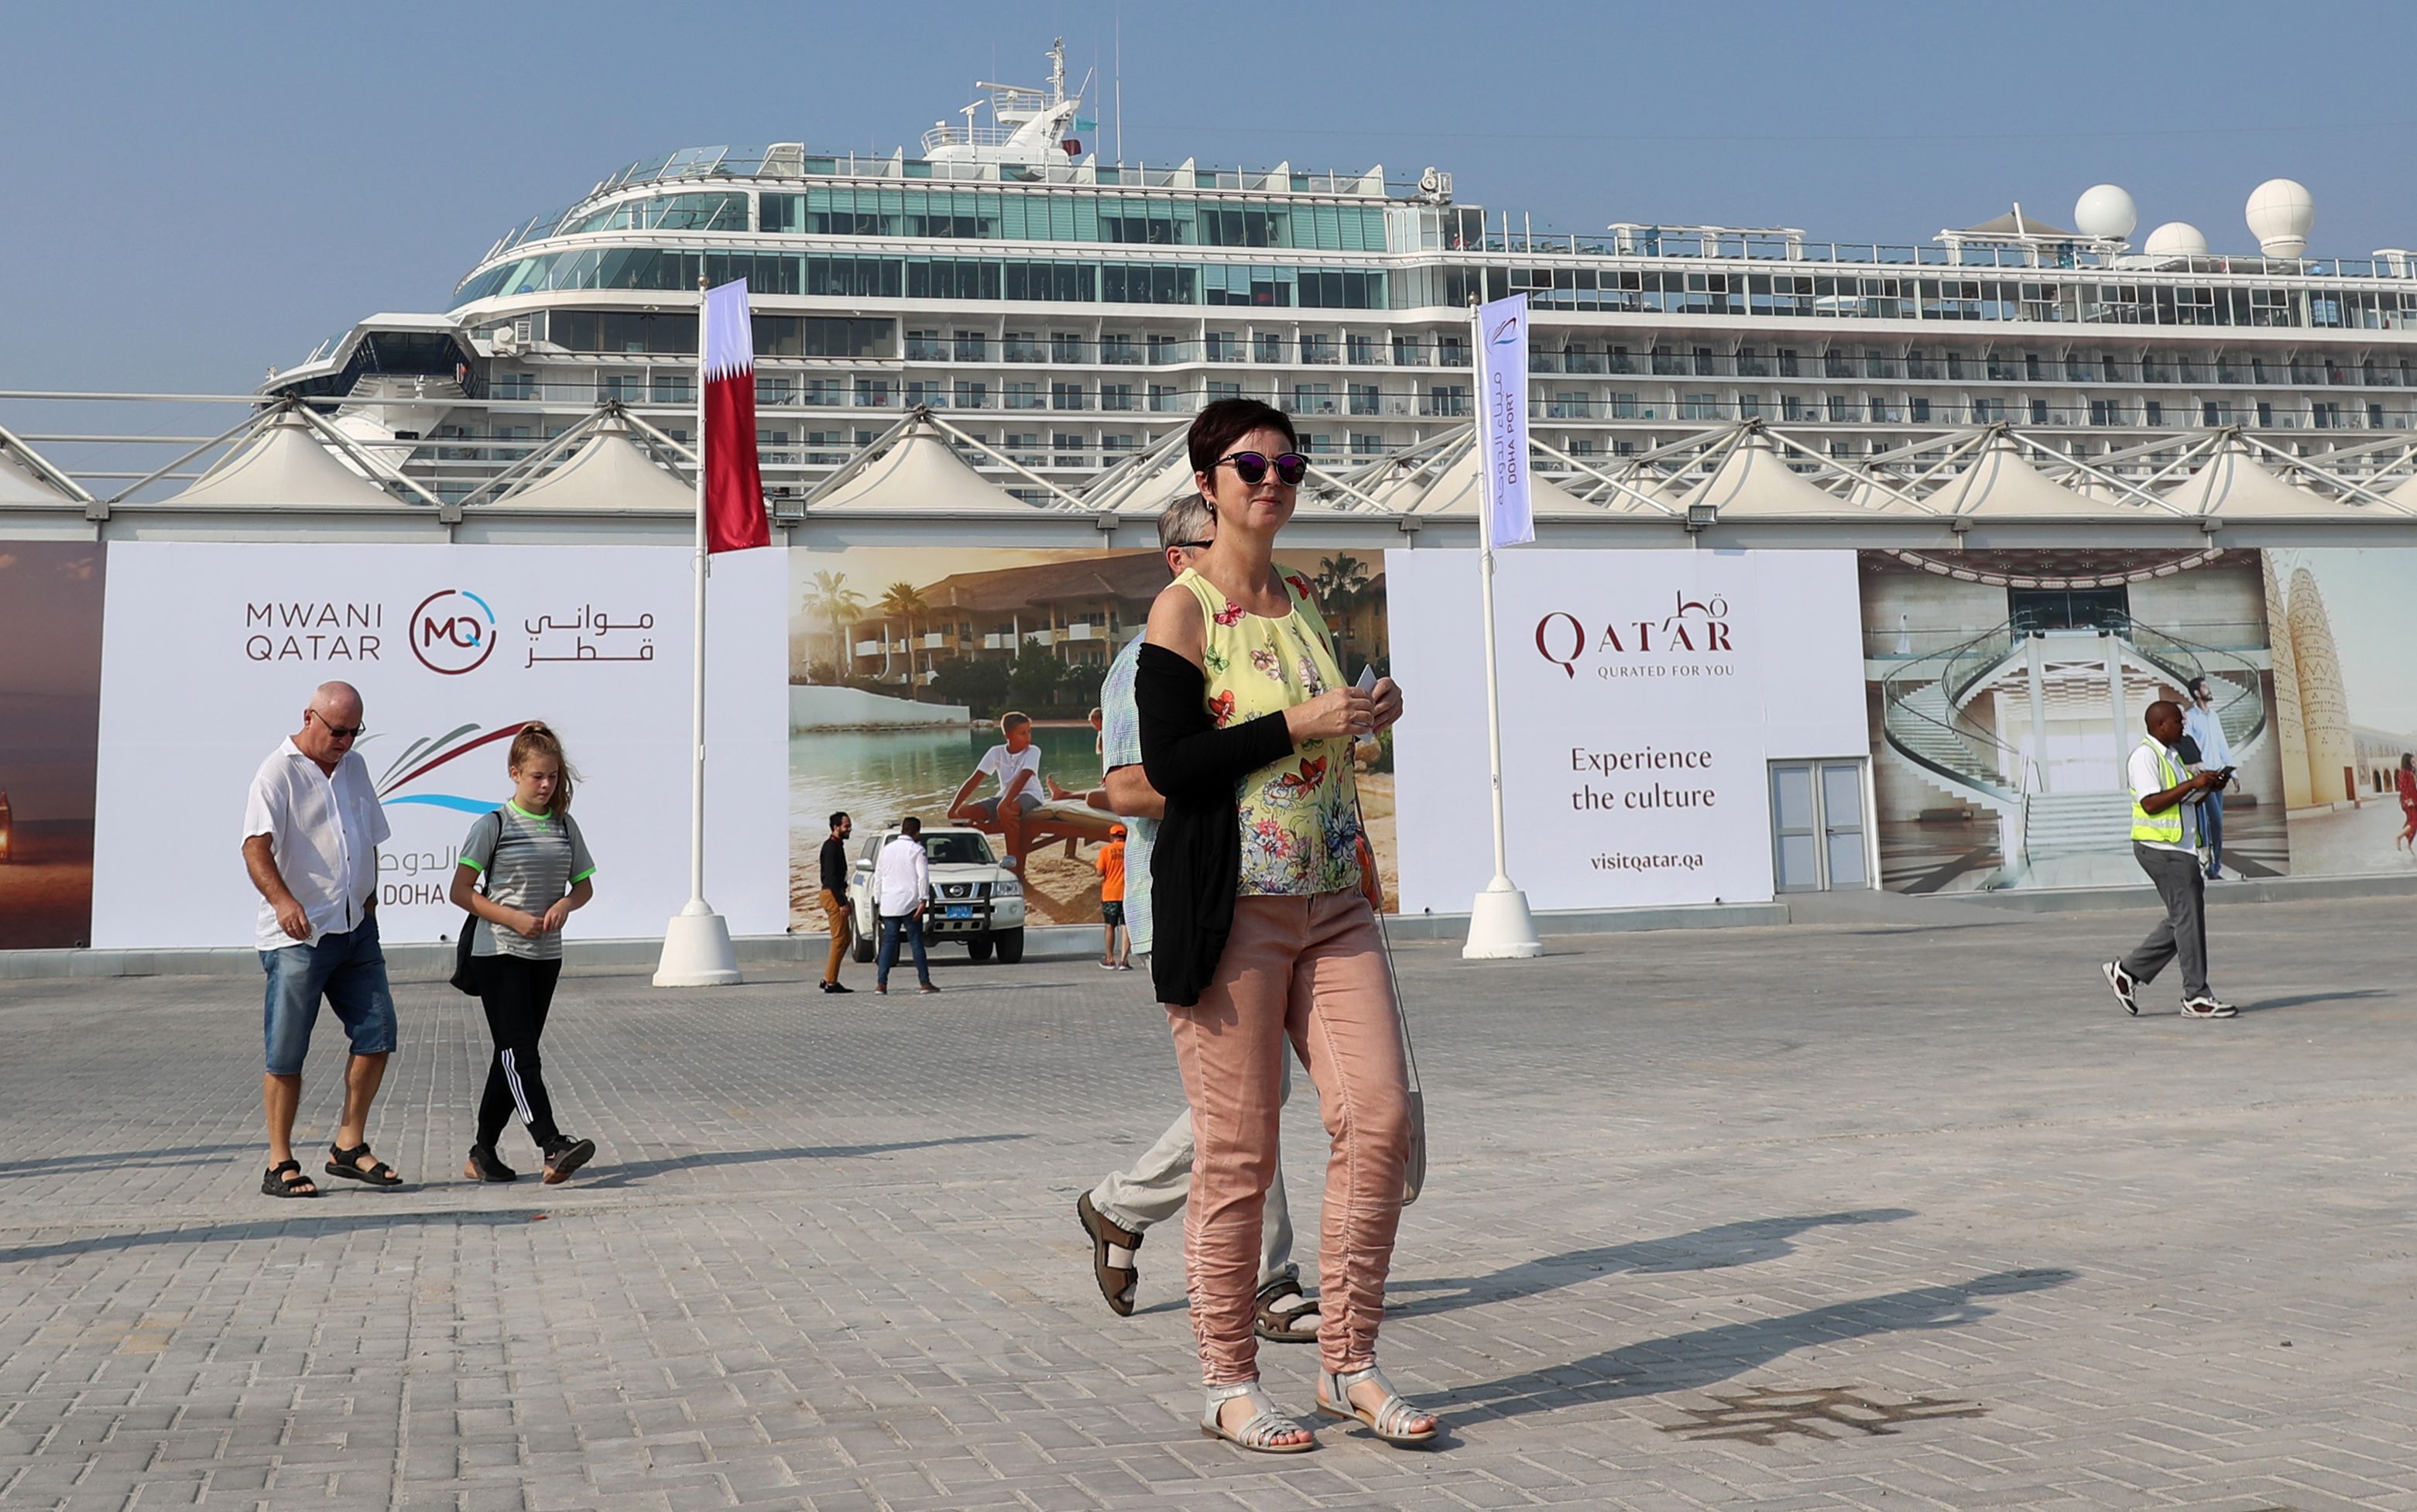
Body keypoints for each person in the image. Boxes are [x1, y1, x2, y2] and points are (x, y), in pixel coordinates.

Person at [1138, 398, 1428, 1453]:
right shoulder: (1183, 610)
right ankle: (1225, 1380)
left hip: (1334, 901)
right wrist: (1303, 721)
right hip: (1235, 912)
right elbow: (1168, 766)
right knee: (1238, 1152)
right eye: (1249, 465)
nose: (1272, 481)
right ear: (1208, 483)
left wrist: (1365, 712)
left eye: (1288, 465)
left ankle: (1346, 1361)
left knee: (1380, 1122)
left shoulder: (1303, 600)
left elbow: (1319, 734)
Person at [1076, 494, 1322, 1360]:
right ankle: (1263, 1280)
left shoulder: (1263, 644)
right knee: (1248, 1099)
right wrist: (1235, 764)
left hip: (1269, 893)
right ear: (1182, 558)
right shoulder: (1145, 658)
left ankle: (1122, 1208)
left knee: (1250, 1097)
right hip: (1186, 897)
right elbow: (1129, 789)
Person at [241, 681, 403, 1198]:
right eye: (337, 730)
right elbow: (255, 849)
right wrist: (284, 902)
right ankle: (279, 1160)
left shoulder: (354, 767)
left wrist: (370, 894)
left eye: (355, 731)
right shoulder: (276, 773)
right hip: (299, 938)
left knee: (378, 1034)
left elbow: (370, 835)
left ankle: (349, 1146)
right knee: (287, 1052)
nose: (346, 740)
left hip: (356, 929)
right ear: (309, 716)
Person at [449, 722, 599, 1185]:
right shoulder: (492, 824)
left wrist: (564, 905)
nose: (546, 785)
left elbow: (585, 887)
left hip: (545, 955)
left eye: (553, 776)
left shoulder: (564, 825)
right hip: (496, 952)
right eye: (537, 776)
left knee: (513, 1054)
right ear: (514, 772)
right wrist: (510, 917)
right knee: (520, 1053)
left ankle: (482, 1152)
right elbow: (460, 891)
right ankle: (552, 1144)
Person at [2103, 699, 2237, 1020]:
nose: (2183, 726)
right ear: (2161, 725)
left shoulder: (2172, 757)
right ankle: (2197, 996)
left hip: (2178, 848)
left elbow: (2182, 800)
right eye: (2178, 721)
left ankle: (2128, 972)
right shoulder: (2145, 757)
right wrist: (2192, 782)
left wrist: (2206, 788)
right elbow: (2150, 804)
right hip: (2162, 849)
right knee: (2188, 918)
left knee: (2183, 919)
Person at [947, 712, 1070, 872]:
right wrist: (953, 808)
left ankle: (1013, 862)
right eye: (1023, 733)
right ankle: (973, 857)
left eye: (1029, 732)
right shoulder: (996, 752)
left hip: (1030, 795)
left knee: (1007, 811)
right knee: (964, 813)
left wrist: (1004, 804)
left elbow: (1024, 777)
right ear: (1008, 735)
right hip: (1004, 796)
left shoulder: (1033, 751)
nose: (1028, 737)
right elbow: (975, 780)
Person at [873, 817, 938, 996]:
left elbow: (878, 878)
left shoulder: (886, 850)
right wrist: (924, 899)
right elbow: (923, 877)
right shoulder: (917, 850)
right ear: (917, 832)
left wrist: (878, 902)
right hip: (910, 902)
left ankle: (881, 984)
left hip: (889, 903)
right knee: (916, 941)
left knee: (888, 943)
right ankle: (924, 983)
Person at [2182, 676, 2235, 879]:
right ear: (2197, 693)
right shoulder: (2190, 717)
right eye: (2204, 687)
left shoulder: (2214, 717)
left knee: (2217, 824)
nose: (2208, 689)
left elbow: (2222, 743)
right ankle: (2207, 864)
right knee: (2215, 821)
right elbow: (2188, 745)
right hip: (2204, 776)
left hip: (2219, 773)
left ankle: (2215, 867)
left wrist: (2234, 774)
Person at [819, 811, 855, 994]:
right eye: (846, 826)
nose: (850, 829)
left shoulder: (836, 845)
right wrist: (842, 902)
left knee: (845, 938)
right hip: (833, 895)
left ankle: (828, 977)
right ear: (836, 828)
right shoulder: (831, 848)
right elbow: (832, 879)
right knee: (840, 939)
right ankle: (831, 982)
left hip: (834, 894)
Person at [1095, 824, 1132, 970]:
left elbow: (1099, 872)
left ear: (1111, 837)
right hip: (1127, 893)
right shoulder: (1130, 850)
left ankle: (1110, 959)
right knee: (1126, 926)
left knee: (1110, 925)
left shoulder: (1106, 851)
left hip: (1110, 894)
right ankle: (1124, 960)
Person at [2398, 754, 2417, 855]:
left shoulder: (2411, 773)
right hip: (2409, 802)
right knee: (2414, 822)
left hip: (2414, 801)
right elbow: (2403, 787)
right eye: (2413, 762)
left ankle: (2408, 844)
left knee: (2413, 822)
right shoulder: (2404, 773)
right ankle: (2399, 837)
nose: (2415, 764)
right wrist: (2408, 800)